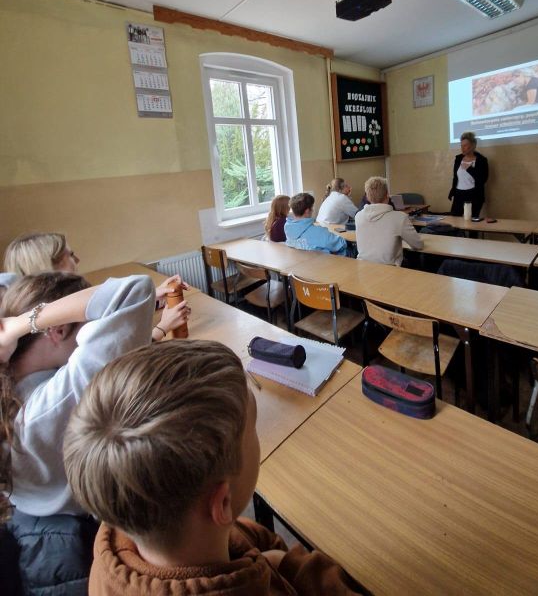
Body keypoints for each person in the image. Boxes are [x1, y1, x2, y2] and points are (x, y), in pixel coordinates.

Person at [63, 339, 367, 595]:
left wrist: (268, 557)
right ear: (221, 504)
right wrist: (289, 564)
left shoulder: (123, 530)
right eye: (254, 429)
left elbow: (238, 533)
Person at [0, 272, 159, 594]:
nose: (90, 335)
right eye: (87, 326)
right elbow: (133, 290)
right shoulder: (54, 401)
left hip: (36, 531)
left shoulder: (12, 395)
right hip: (72, 543)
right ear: (57, 329)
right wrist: (17, 325)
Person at [3, 231, 190, 337]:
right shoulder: (56, 328)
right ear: (52, 265)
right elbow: (116, 361)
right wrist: (163, 327)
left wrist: (151, 297)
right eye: (70, 255)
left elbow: (108, 317)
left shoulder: (37, 310)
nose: (77, 260)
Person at [355, 177, 423, 265]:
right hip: (390, 269)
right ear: (387, 195)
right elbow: (418, 245)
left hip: (363, 267)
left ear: (367, 197)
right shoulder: (400, 217)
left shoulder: (358, 216)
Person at [448, 131, 489, 218]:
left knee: (471, 222)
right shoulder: (458, 159)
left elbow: (483, 179)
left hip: (474, 195)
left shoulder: (481, 160)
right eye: (461, 145)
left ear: (473, 145)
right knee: (454, 220)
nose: (462, 148)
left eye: (465, 145)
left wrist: (469, 169)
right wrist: (452, 191)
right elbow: (455, 177)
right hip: (459, 194)